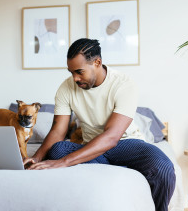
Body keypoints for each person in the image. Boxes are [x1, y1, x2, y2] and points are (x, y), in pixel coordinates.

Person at [23, 38, 175, 211]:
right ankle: (121, 168)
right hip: (91, 147)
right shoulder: (65, 88)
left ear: (97, 62)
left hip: (126, 145)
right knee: (57, 149)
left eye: (79, 72)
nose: (75, 78)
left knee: (163, 167)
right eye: (71, 72)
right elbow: (58, 130)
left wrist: (65, 162)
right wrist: (37, 158)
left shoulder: (124, 84)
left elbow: (111, 137)